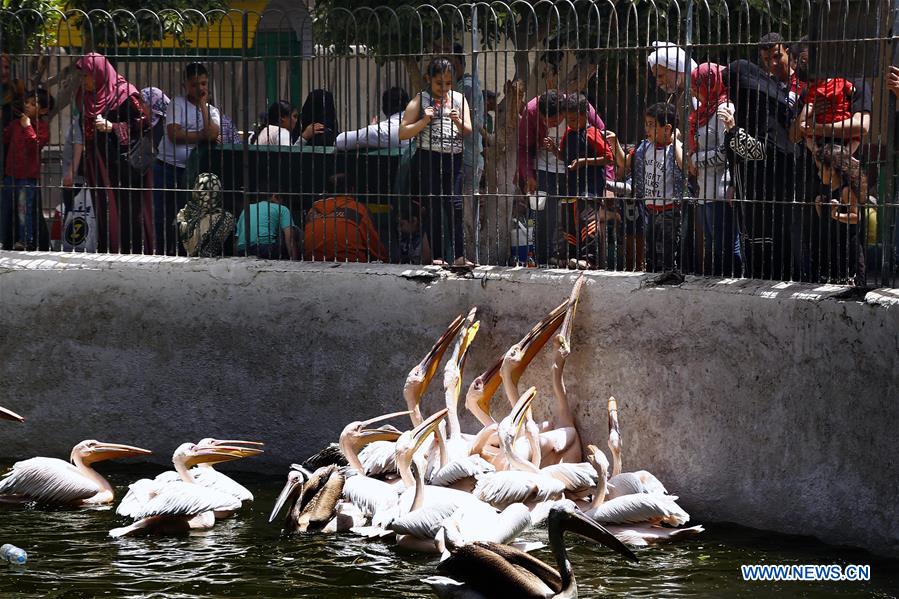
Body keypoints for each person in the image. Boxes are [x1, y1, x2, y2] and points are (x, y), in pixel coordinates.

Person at [517, 90, 611, 265]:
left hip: (579, 175)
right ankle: (543, 261)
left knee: (582, 217)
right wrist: (528, 175)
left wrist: (608, 181)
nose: (547, 124)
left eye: (553, 121)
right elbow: (523, 147)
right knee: (544, 217)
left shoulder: (582, 109)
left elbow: (605, 142)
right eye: (544, 120)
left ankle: (591, 260)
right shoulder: (530, 111)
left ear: (565, 113)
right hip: (545, 170)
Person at [722, 59, 795, 280]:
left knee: (771, 249)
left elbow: (765, 151)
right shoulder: (746, 109)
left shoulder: (767, 112)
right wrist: (734, 182)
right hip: (748, 191)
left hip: (770, 191)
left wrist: (734, 131)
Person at [399, 57, 472, 265]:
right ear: (428, 79)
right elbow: (403, 132)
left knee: (455, 206)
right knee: (432, 205)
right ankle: (438, 257)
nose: (444, 88)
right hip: (428, 158)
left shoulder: (459, 99)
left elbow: (468, 130)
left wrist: (458, 120)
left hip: (453, 158)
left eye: (448, 83)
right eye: (439, 83)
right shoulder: (420, 100)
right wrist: (424, 120)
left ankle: (459, 256)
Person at [75, 52, 150, 254]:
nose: (82, 80)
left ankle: (129, 251)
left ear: (99, 72)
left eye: (86, 75)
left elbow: (144, 122)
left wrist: (114, 127)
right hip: (96, 162)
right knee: (102, 205)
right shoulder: (85, 97)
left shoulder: (125, 93)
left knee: (126, 207)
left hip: (123, 162)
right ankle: (105, 248)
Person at [154, 62, 221, 255]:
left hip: (191, 171)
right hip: (167, 167)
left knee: (188, 215)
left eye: (203, 84)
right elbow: (174, 135)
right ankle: (162, 253)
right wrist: (201, 135)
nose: (200, 88)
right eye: (194, 84)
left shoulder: (212, 111)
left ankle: (183, 252)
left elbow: (212, 132)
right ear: (185, 85)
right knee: (163, 215)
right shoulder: (177, 103)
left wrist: (202, 105)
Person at [548, 93, 615, 267]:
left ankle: (590, 258)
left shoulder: (593, 133)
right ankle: (570, 256)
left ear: (585, 116)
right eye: (568, 120)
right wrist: (555, 150)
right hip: (571, 186)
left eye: (574, 119)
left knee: (587, 219)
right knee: (569, 221)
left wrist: (585, 162)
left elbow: (609, 157)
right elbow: (565, 156)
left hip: (590, 186)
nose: (570, 124)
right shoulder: (568, 134)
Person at [687, 63, 740, 276]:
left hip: (721, 189)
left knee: (725, 244)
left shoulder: (724, 109)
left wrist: (695, 159)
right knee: (712, 243)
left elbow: (724, 152)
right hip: (704, 190)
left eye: (697, 84)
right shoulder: (702, 112)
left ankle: (732, 283)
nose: (693, 90)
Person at [632, 102, 689, 271]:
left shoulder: (675, 149)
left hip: (670, 210)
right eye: (646, 124)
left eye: (652, 125)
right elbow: (627, 163)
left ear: (667, 128)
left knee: (667, 253)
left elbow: (684, 165)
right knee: (651, 253)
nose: (647, 129)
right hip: (651, 208)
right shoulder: (645, 147)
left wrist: (676, 139)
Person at [2, 89, 52, 250]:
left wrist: (28, 127)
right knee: (5, 207)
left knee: (24, 209)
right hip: (11, 173)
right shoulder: (15, 124)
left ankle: (25, 240)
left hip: (27, 176)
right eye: (27, 102)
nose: (28, 106)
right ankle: (3, 239)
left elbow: (36, 145)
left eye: (33, 104)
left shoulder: (42, 127)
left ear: (43, 110)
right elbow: (5, 138)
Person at [448, 43, 485, 257]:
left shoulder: (466, 88)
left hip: (467, 157)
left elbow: (470, 125)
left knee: (467, 212)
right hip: (461, 156)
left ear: (461, 64)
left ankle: (471, 257)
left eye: (453, 65)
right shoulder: (460, 86)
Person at [813, 144, 867, 285]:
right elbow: (825, 220)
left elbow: (856, 218)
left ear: (831, 170)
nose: (818, 173)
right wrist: (819, 205)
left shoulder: (846, 191)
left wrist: (836, 214)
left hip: (847, 251)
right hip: (832, 250)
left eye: (820, 169)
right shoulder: (827, 190)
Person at [304, 174, 387, 262]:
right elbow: (375, 248)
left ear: (325, 192)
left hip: (314, 265)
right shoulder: (359, 210)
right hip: (351, 267)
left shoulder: (313, 210)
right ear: (352, 190)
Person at [334, 87, 410, 151]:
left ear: (384, 109)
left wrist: (372, 127)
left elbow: (339, 141)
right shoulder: (418, 126)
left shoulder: (380, 131)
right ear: (408, 105)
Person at [235, 186, 300, 260]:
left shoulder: (247, 208)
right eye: (282, 198)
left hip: (243, 249)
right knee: (295, 231)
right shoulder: (282, 209)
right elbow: (290, 237)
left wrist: (236, 257)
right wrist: (294, 261)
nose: (282, 201)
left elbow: (238, 237)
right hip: (265, 248)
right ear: (274, 196)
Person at [758, 32, 805, 107]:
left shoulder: (804, 81)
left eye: (777, 56)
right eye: (767, 59)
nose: (773, 63)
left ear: (788, 53)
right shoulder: (764, 86)